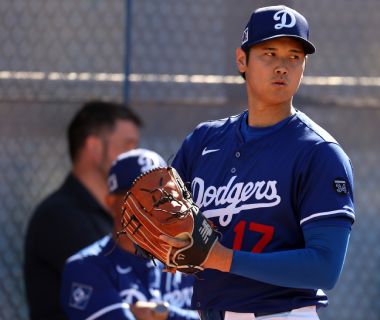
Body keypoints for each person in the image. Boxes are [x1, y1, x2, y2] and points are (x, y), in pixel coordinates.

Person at [164, 5, 356, 320]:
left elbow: (324, 267)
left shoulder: (319, 152)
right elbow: (169, 225)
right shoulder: (203, 142)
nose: (282, 66)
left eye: (294, 57)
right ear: (242, 60)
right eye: (269, 53)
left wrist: (222, 258)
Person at [24, 100, 143, 320]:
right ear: (95, 148)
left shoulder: (109, 213)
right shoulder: (59, 216)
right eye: (128, 146)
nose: (136, 155)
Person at [60, 148, 199, 320]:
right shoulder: (86, 267)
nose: (153, 206)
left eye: (163, 195)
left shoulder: (192, 260)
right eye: (140, 196)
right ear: (111, 203)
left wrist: (163, 313)